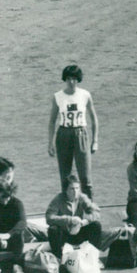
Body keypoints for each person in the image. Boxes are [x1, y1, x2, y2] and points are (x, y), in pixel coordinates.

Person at [48, 64, 99, 198]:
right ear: (65, 79)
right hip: (64, 134)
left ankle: (89, 210)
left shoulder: (85, 95)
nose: (71, 82)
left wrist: (95, 141)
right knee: (65, 177)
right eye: (69, 79)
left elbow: (94, 119)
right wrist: (50, 143)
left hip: (80, 134)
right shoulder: (58, 96)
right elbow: (52, 121)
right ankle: (68, 207)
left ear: (78, 80)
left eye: (74, 79)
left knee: (85, 177)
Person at [45, 175, 102, 259]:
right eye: (72, 189)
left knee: (96, 225)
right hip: (64, 234)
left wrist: (85, 222)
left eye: (77, 188)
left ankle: (94, 257)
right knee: (53, 230)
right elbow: (49, 217)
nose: (75, 192)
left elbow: (96, 213)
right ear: (66, 190)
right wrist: (69, 220)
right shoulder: (58, 199)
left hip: (79, 232)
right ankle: (58, 258)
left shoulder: (82, 197)